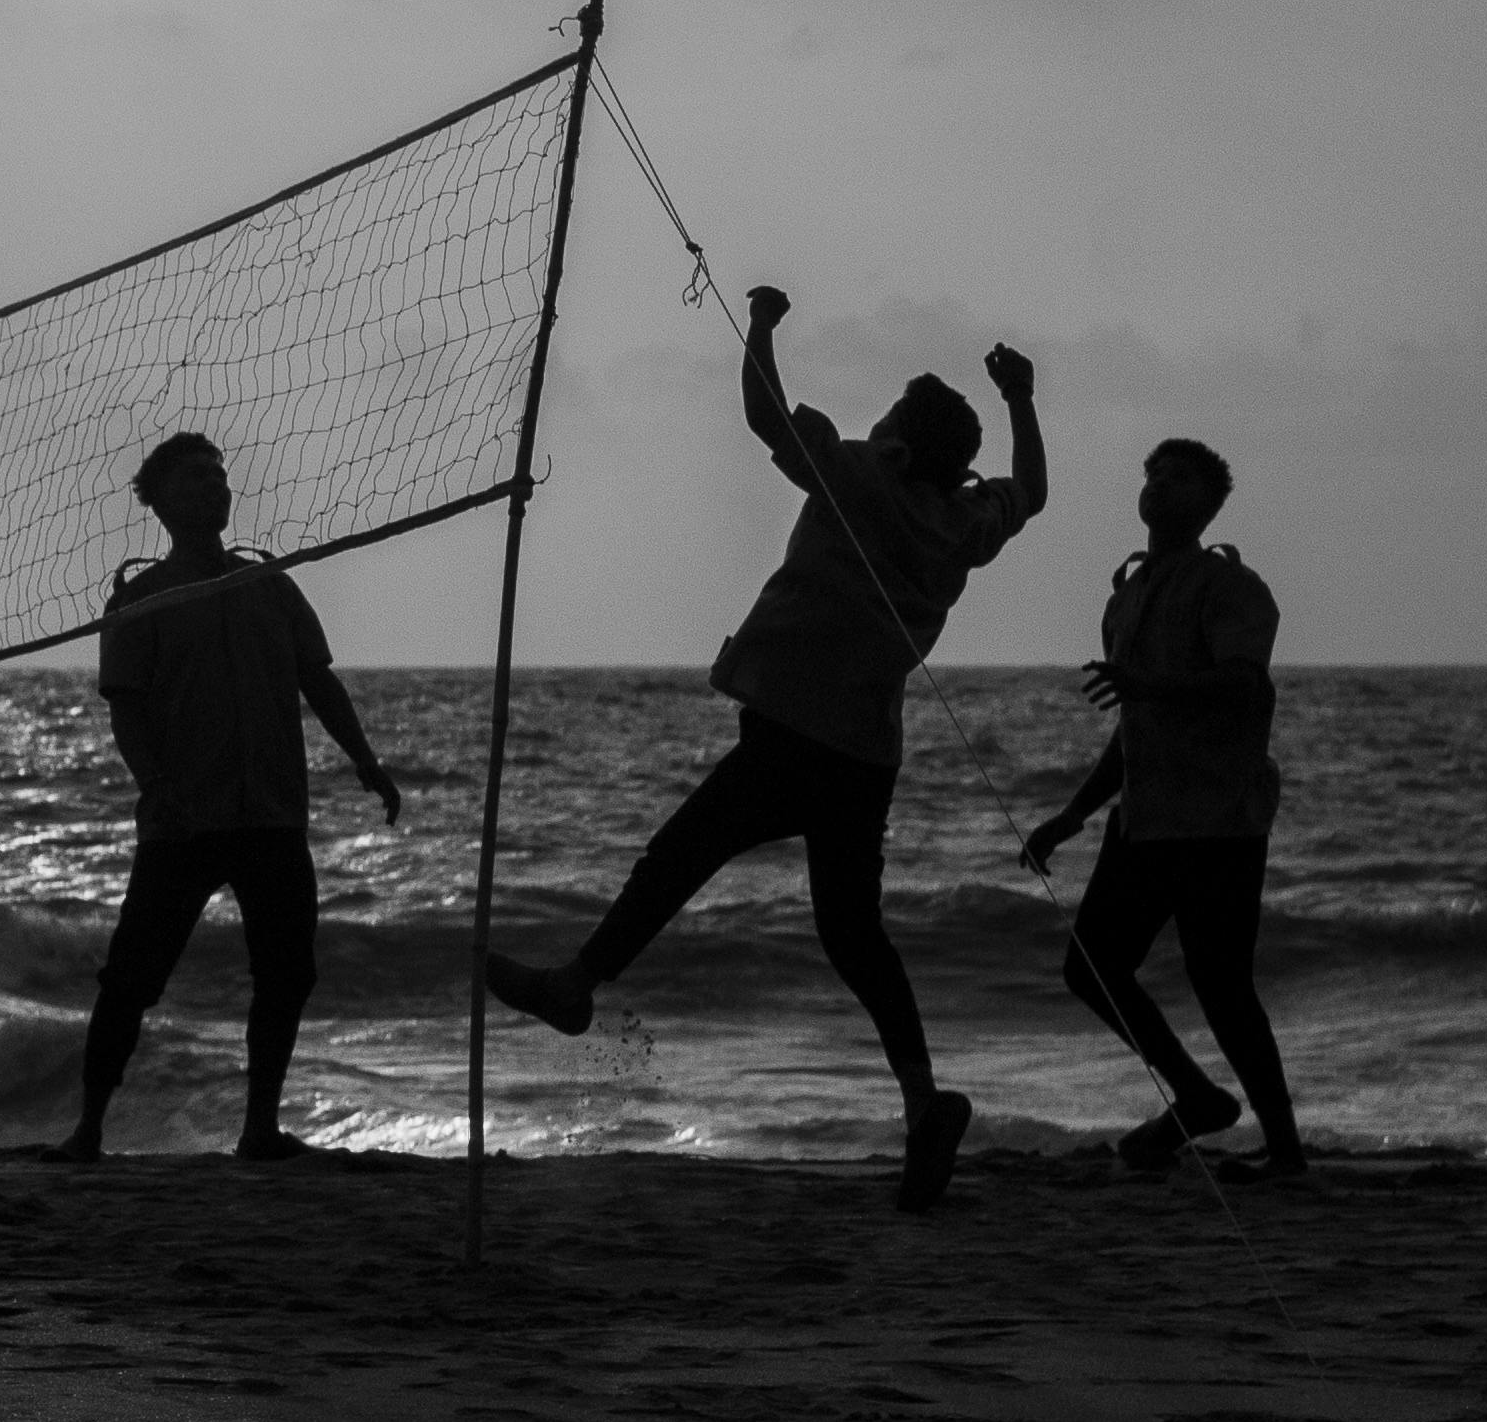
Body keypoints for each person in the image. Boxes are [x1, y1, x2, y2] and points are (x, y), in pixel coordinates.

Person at [488, 285, 1045, 1210]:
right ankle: (922, 1103)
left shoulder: (861, 476)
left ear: (902, 435)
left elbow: (761, 413)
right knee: (850, 932)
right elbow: (1029, 492)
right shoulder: (961, 522)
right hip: (866, 754)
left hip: (793, 736)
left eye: (893, 414)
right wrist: (1022, 397)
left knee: (678, 855)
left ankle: (575, 986)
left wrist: (760, 324)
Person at [54, 430, 404, 1166]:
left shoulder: (268, 584)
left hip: (271, 814)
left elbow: (319, 681)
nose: (213, 489)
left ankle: (259, 1131)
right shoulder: (140, 600)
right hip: (182, 821)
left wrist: (365, 762)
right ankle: (86, 1131)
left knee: (286, 973)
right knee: (131, 980)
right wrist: (156, 786)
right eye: (193, 481)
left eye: (218, 478)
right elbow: (126, 711)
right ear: (159, 503)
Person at [1022, 436, 1303, 1180]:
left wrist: (1149, 689)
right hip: (1144, 819)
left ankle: (1285, 1151)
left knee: (1222, 985)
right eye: (1151, 474)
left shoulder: (1230, 588)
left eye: (1176, 478)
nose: (1157, 486)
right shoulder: (1126, 596)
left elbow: (1243, 683)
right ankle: (1196, 1097)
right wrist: (1071, 815)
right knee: (1091, 968)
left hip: (1218, 819)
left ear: (1207, 503)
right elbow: (1131, 728)